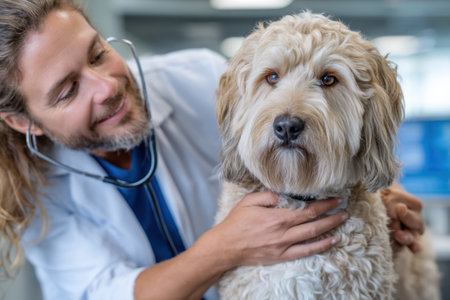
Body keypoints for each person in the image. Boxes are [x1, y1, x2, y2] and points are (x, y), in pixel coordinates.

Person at [0, 0, 425, 299]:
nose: (108, 86)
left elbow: (327, 136)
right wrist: (225, 248)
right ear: (25, 121)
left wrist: (372, 193)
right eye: (69, 90)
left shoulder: (199, 78)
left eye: (97, 54)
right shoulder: (40, 193)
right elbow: (106, 293)